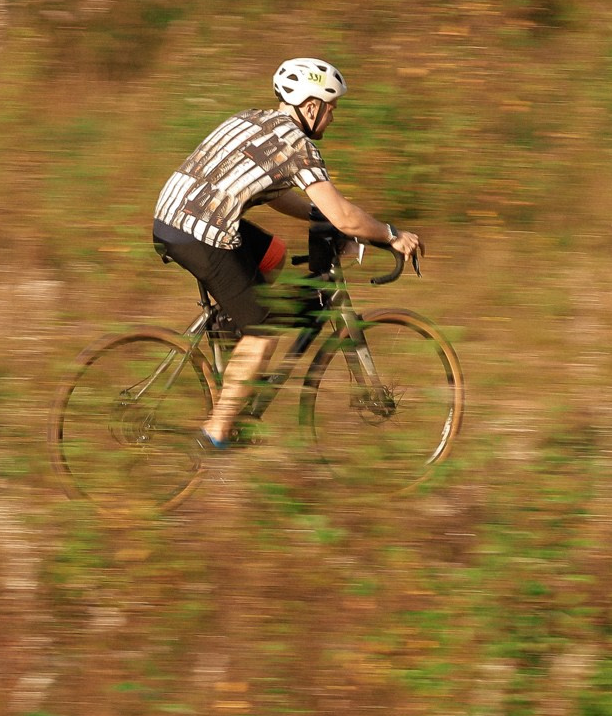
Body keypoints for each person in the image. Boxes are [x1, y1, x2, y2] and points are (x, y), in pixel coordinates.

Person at [152, 57, 422, 447]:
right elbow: (346, 217)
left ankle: (234, 347)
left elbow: (277, 195)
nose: (333, 118)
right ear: (311, 106)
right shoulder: (298, 146)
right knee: (264, 331)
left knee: (273, 255)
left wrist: (321, 217)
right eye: (331, 109)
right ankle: (217, 432)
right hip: (202, 232)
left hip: (173, 216)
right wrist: (391, 234)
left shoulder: (252, 120)